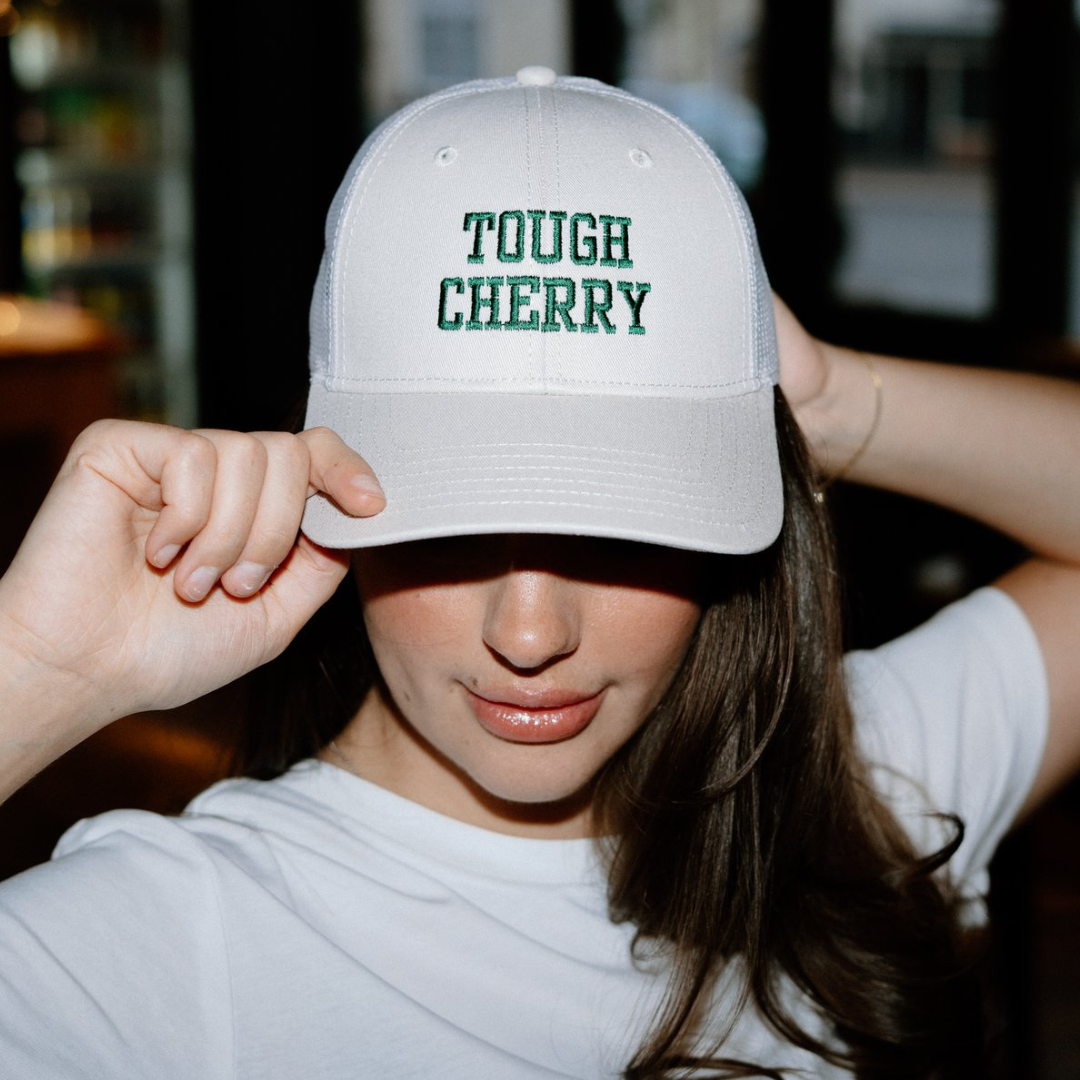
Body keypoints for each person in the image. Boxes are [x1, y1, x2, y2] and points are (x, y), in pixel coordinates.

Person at [1, 68, 1079, 1080]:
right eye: (451, 528)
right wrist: (40, 673)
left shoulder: (842, 790)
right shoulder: (163, 946)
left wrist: (820, 403)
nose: (528, 635)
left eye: (621, 531)